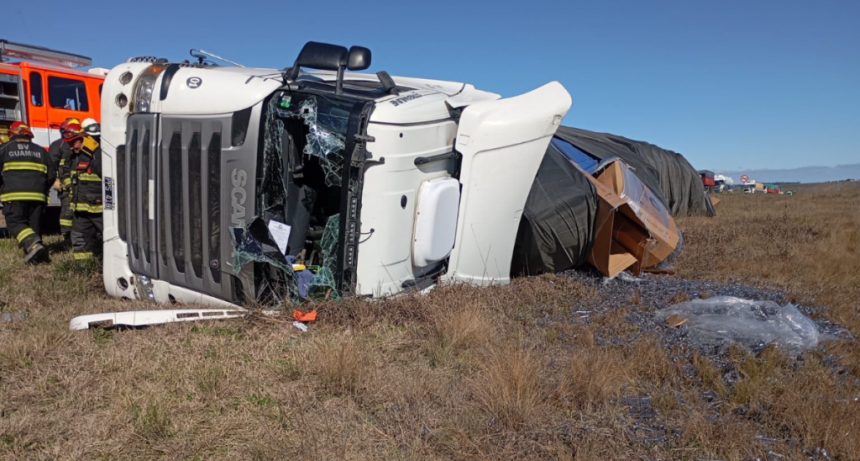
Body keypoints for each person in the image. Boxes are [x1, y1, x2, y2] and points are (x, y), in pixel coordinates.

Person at [0, 121, 55, 263]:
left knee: (15, 223)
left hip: (13, 195)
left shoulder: (4, 148)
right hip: (38, 196)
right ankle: (37, 257)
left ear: (12, 134)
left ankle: (33, 245)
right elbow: (51, 174)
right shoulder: (41, 150)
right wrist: (42, 189)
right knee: (34, 226)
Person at [62, 123, 103, 261]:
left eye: (73, 142)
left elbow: (109, 177)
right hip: (80, 209)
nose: (71, 147)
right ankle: (83, 265)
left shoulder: (97, 153)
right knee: (79, 237)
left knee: (109, 236)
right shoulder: (74, 156)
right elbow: (68, 174)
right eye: (69, 143)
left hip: (99, 208)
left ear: (83, 138)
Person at [49, 118, 80, 239]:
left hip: (79, 183)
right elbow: (52, 164)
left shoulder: (80, 144)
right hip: (64, 184)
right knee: (67, 211)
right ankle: (67, 236)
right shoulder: (58, 145)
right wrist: (56, 179)